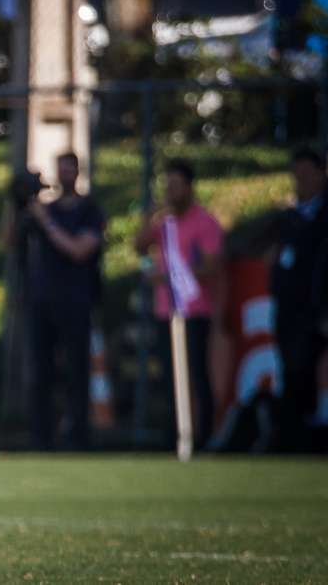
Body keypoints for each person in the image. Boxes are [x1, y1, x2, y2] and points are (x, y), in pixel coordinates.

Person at [10, 152, 105, 450]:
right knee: (41, 372)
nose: (64, 175)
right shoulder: (43, 210)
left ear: (78, 172)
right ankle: (42, 438)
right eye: (60, 169)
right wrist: (14, 204)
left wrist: (46, 222)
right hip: (41, 302)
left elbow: (78, 250)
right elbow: (8, 241)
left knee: (76, 371)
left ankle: (78, 436)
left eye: (70, 169)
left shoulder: (89, 210)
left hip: (76, 300)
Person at [269, 147, 328, 452]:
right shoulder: (290, 215)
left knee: (324, 370)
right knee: (292, 371)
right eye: (297, 174)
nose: (301, 180)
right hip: (289, 308)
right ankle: (294, 439)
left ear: (322, 174)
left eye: (307, 173)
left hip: (323, 306)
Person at [134, 159, 223, 450]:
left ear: (189, 187)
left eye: (175, 185)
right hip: (166, 310)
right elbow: (139, 246)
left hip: (195, 310)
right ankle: (172, 436)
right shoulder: (165, 224)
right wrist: (149, 217)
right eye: (167, 186)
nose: (170, 192)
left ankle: (204, 437)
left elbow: (211, 266)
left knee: (196, 374)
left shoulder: (205, 222)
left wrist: (170, 276)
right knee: (169, 376)